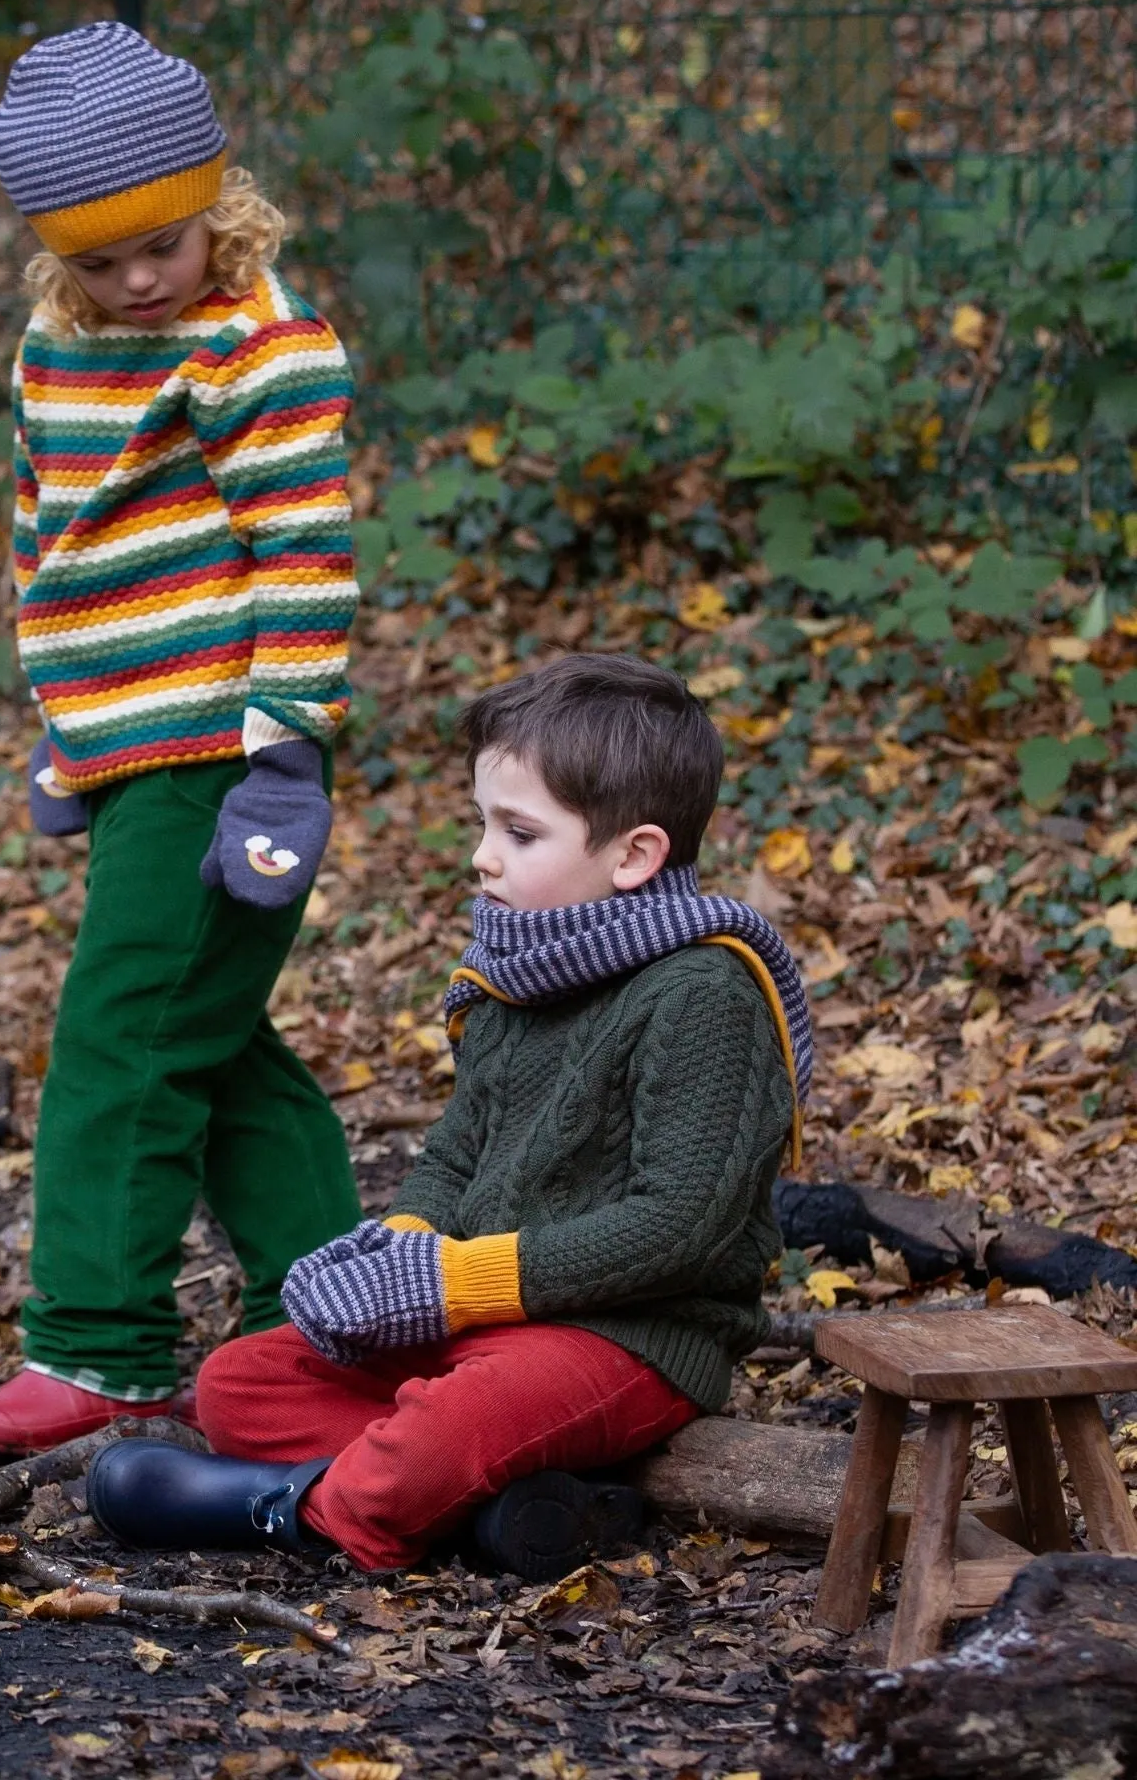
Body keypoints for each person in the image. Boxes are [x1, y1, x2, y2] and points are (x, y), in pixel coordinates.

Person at [86, 653, 811, 1578]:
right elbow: (458, 1153)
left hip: (629, 1337)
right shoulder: (520, 971)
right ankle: (503, 1509)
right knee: (240, 1382)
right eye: (483, 823)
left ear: (634, 854)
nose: (483, 854)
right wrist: (404, 1246)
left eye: (519, 831)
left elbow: (682, 1227)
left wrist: (456, 1280)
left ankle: (294, 1512)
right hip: (487, 1319)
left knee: (459, 1417)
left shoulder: (703, 992)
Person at [0, 22, 363, 1454]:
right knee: (216, 1036)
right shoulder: (60, 341)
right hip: (127, 748)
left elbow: (304, 553)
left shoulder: (262, 348)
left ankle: (100, 1348)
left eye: (162, 245)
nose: (135, 279)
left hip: (223, 752)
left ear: (215, 199)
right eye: (101, 258)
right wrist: (65, 739)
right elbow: (44, 534)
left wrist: (287, 755)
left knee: (122, 1038)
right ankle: (329, 1318)